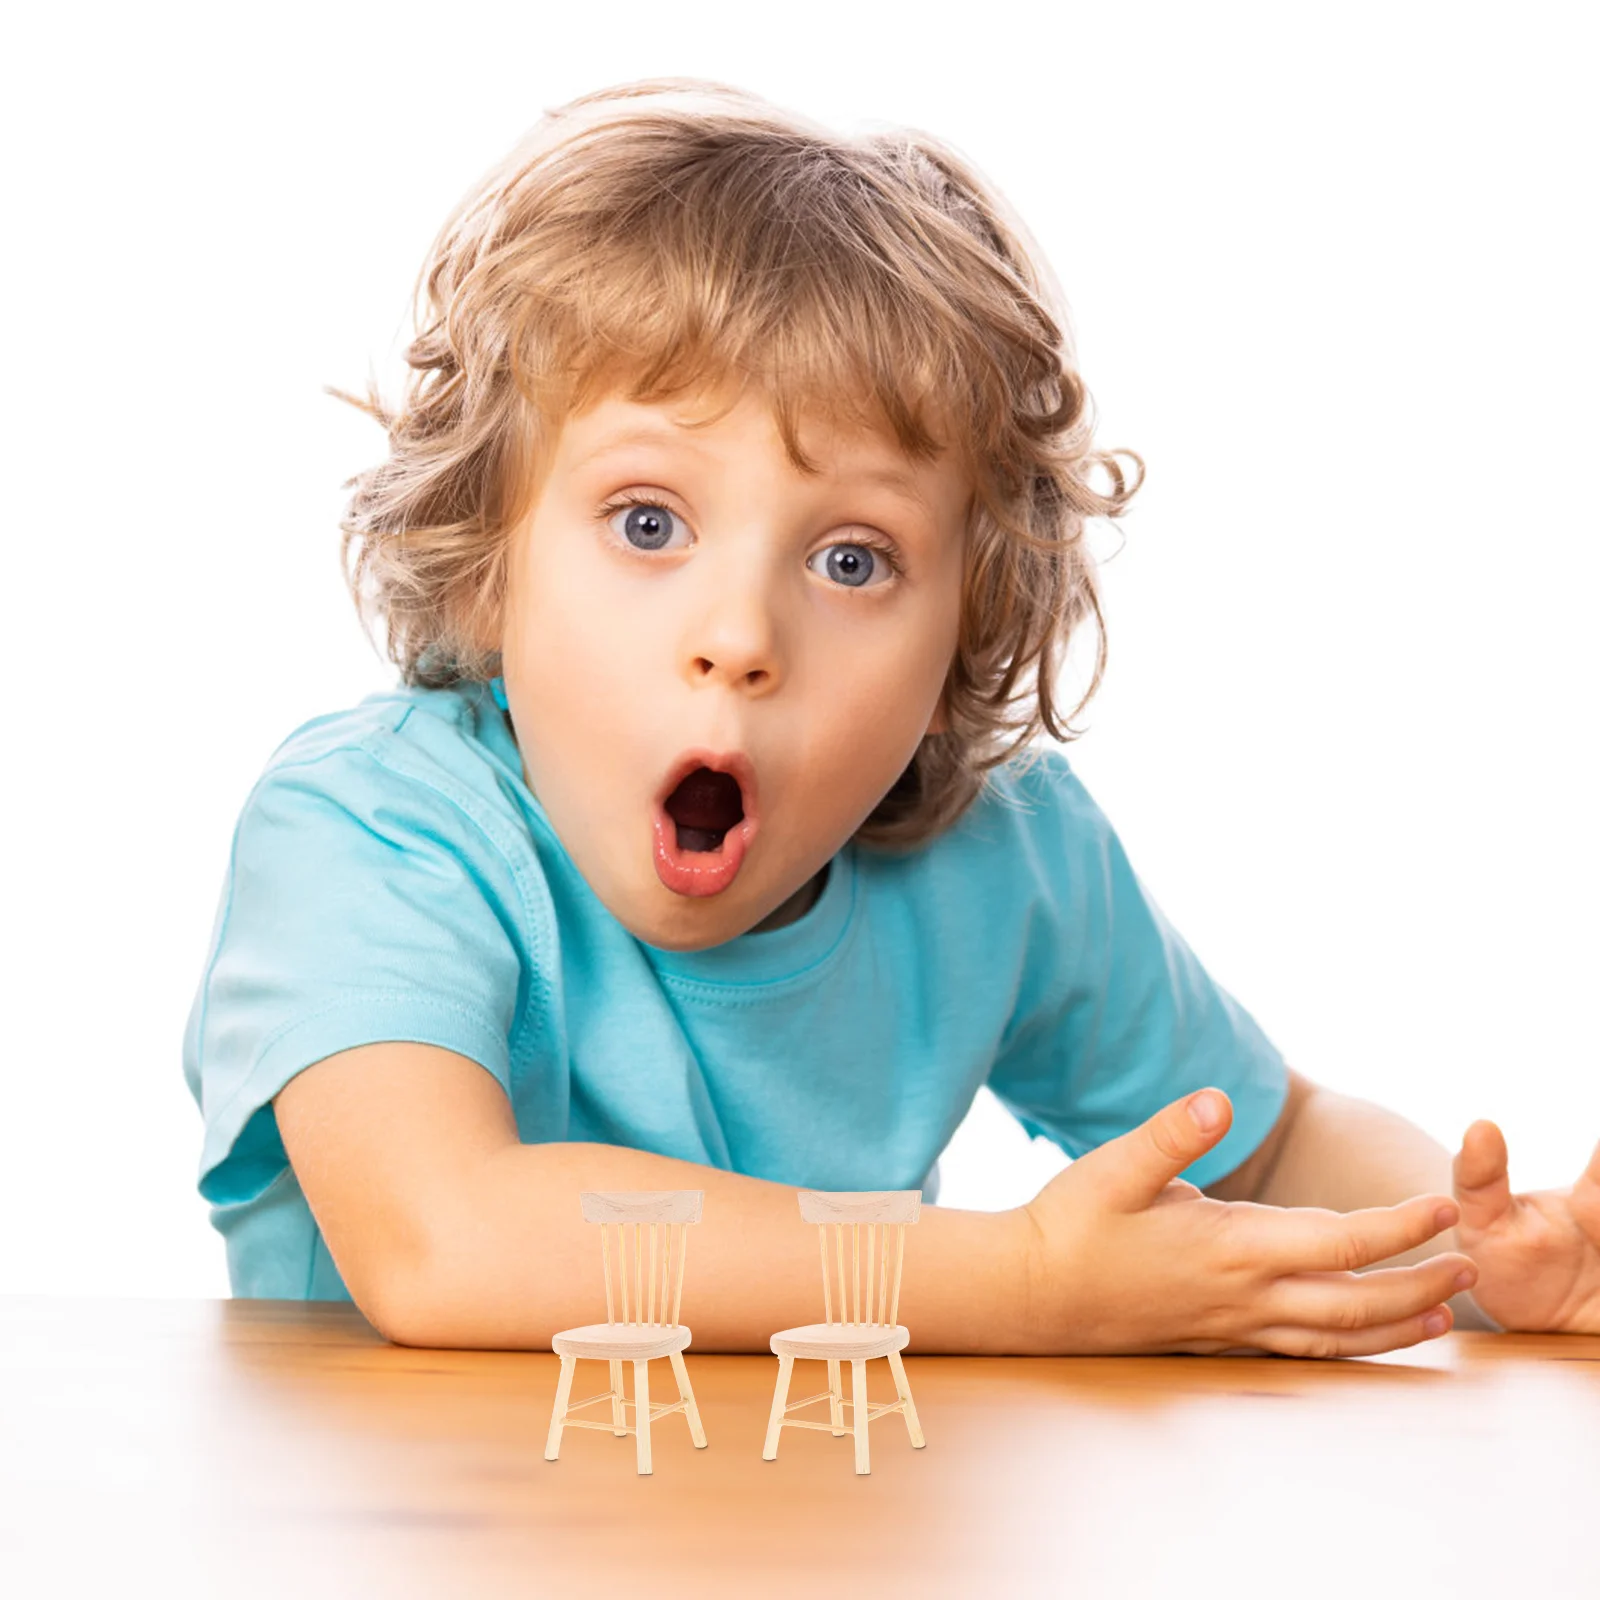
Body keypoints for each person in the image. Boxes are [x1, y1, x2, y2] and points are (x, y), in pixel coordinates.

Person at [183, 77, 1599, 1355]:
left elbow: (1276, 1148)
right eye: (648, 520)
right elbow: (448, 1243)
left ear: (964, 636)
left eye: (850, 560)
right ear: (491, 563)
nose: (739, 639)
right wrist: (1028, 1284)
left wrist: (1462, 1251)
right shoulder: (365, 831)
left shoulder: (1002, 856)